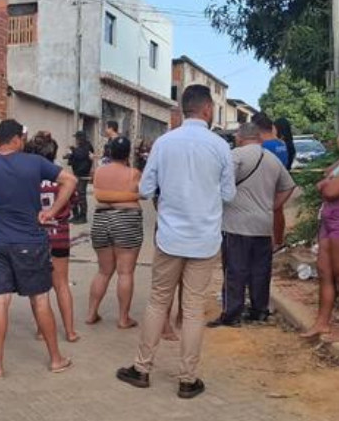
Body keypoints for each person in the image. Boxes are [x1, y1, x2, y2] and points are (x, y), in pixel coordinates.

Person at [116, 85, 235, 400]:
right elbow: (228, 195)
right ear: (208, 110)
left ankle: (142, 369)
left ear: (184, 109)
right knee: (194, 308)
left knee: (157, 302)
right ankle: (188, 379)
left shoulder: (164, 143)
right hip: (205, 240)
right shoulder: (221, 147)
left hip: (169, 238)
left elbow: (145, 189)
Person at [0, 119, 77, 380]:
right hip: (31, 241)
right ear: (17, 139)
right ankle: (55, 359)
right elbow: (70, 180)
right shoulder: (34, 162)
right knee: (40, 300)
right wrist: (51, 211)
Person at [208, 123, 296, 328]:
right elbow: (288, 186)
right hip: (263, 224)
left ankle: (232, 313)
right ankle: (259, 310)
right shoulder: (272, 159)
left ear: (240, 137)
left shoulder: (235, 156)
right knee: (260, 270)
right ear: (258, 138)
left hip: (237, 224)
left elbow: (223, 185)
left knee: (235, 270)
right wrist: (273, 206)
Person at [86, 136, 144, 330]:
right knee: (125, 272)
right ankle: (123, 318)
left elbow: (99, 194)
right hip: (127, 219)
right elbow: (144, 193)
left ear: (109, 152)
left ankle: (91, 313)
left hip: (102, 218)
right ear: (128, 153)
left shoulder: (100, 172)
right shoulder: (133, 173)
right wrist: (132, 196)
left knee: (103, 271)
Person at [28, 131, 80, 343]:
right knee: (62, 284)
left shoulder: (29, 180)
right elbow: (74, 202)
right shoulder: (62, 180)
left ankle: (42, 329)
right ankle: (69, 331)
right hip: (60, 235)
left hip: (36, 236)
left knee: (38, 287)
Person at [301, 148, 339, 340]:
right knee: (325, 272)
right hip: (328, 221)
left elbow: (330, 190)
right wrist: (327, 181)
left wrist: (326, 184)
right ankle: (322, 322)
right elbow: (326, 176)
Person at [273, 117, 296, 250]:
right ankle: (279, 239)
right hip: (284, 179)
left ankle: (277, 240)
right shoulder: (289, 144)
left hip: (278, 180)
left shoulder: (280, 144)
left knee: (276, 210)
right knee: (278, 210)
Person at [65, 131, 94, 224]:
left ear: (81, 138)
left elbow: (81, 155)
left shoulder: (87, 146)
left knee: (81, 195)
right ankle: (76, 215)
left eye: (77, 138)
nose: (76, 140)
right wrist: (69, 156)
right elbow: (76, 155)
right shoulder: (80, 147)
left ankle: (83, 216)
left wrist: (73, 149)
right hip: (77, 173)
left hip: (83, 175)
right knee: (72, 194)